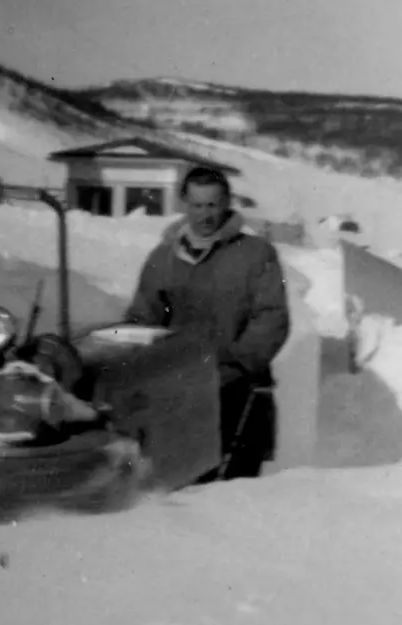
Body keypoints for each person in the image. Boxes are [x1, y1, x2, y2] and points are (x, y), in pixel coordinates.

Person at [123, 166, 291, 479]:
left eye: (212, 205)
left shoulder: (256, 255)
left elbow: (272, 318)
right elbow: (142, 318)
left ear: (227, 203)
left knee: (228, 498)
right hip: (177, 396)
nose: (205, 215)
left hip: (239, 393)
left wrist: (236, 364)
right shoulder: (163, 258)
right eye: (197, 205)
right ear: (184, 205)